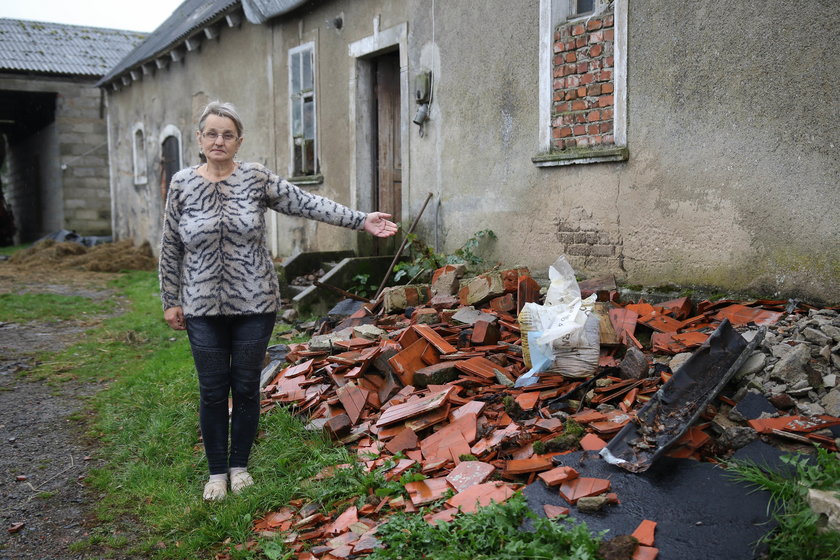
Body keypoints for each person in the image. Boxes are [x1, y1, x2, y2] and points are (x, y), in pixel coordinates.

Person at [159, 101, 397, 501]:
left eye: (228, 134)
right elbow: (170, 246)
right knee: (213, 390)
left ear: (239, 141)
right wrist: (170, 299)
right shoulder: (182, 184)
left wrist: (361, 220)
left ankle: (240, 467)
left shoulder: (256, 178)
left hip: (254, 304)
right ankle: (217, 473)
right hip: (201, 308)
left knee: (247, 386)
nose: (219, 140)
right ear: (199, 139)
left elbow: (307, 203)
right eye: (212, 133)